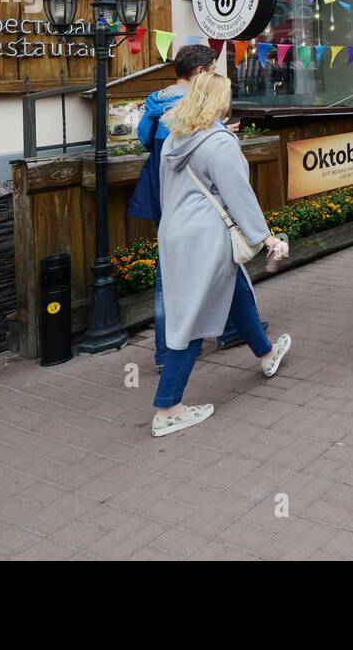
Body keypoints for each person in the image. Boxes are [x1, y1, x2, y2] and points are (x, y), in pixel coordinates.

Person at [153, 73, 291, 437]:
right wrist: (265, 238)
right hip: (206, 234)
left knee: (233, 288)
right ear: (219, 101)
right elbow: (238, 194)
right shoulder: (220, 142)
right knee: (194, 316)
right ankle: (168, 407)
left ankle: (266, 354)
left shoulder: (175, 138)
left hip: (174, 232)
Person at [128, 44, 249, 371]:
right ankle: (178, 351)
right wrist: (223, 130)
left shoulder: (156, 100)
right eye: (211, 71)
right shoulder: (193, 105)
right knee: (210, 261)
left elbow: (143, 139)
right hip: (192, 197)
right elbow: (195, 147)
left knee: (174, 264)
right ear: (199, 72)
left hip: (157, 189)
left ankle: (222, 332)